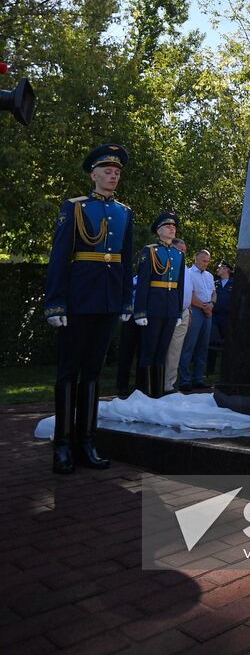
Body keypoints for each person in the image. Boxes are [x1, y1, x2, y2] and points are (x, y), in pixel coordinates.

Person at [44, 143, 133, 473]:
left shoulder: (125, 213)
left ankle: (87, 441)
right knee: (68, 373)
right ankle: (63, 445)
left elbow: (124, 260)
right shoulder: (75, 207)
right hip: (78, 301)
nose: (113, 176)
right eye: (107, 171)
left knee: (93, 374)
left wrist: (126, 300)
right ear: (93, 174)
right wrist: (55, 302)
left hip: (108, 302)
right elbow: (58, 259)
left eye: (117, 172)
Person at [133, 212, 184, 398]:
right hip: (153, 306)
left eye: (174, 226)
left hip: (170, 307)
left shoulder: (179, 254)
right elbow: (143, 283)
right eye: (167, 226)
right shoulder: (150, 251)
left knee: (162, 350)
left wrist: (178, 312)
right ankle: (144, 392)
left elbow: (180, 284)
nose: (172, 228)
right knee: (148, 350)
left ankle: (158, 392)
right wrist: (140, 311)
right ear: (159, 230)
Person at [179, 249, 216, 392]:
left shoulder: (209, 275)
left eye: (207, 261)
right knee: (189, 345)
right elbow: (190, 294)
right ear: (196, 259)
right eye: (203, 260)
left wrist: (211, 304)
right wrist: (204, 307)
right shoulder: (188, 273)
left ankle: (198, 378)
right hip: (195, 310)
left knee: (203, 346)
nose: (205, 264)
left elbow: (213, 292)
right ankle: (184, 379)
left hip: (208, 310)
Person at [163, 237, 193, 393]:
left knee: (176, 350)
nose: (182, 253)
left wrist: (189, 312)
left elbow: (188, 292)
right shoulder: (168, 265)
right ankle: (159, 382)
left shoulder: (186, 269)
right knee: (166, 348)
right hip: (170, 312)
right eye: (180, 250)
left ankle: (170, 383)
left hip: (185, 312)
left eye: (184, 251)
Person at [207, 260, 233, 379]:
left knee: (227, 344)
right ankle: (209, 372)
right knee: (211, 343)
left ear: (226, 269)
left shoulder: (234, 283)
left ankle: (226, 373)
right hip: (215, 316)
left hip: (227, 317)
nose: (217, 269)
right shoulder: (215, 283)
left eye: (220, 267)